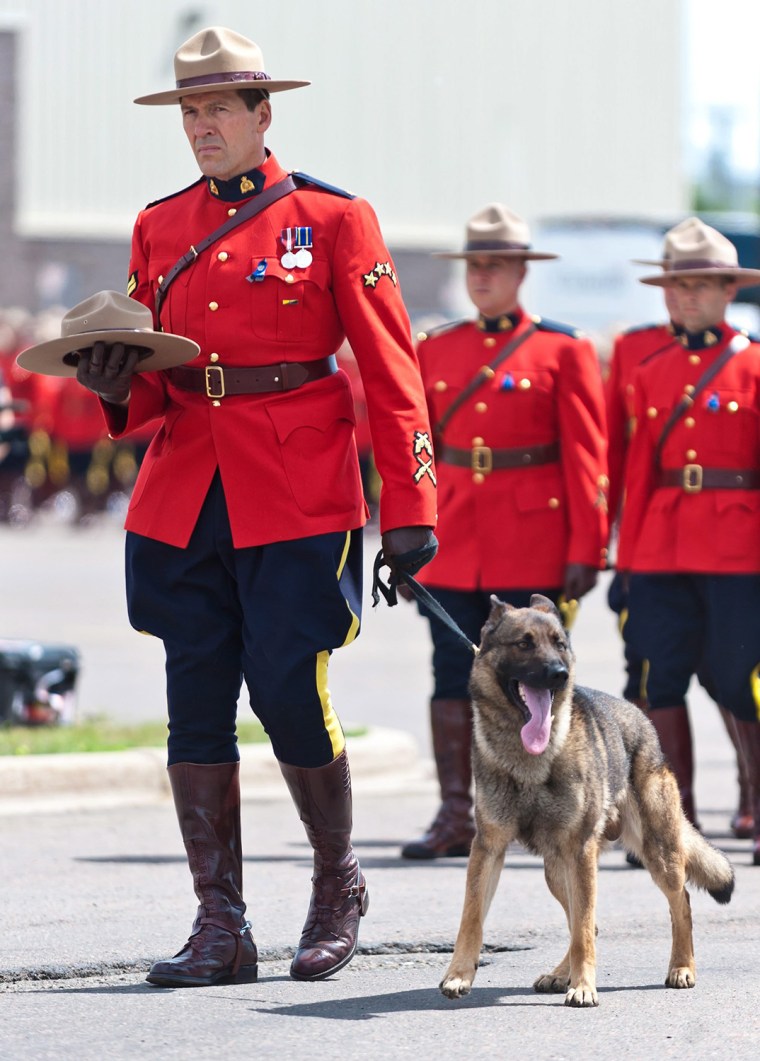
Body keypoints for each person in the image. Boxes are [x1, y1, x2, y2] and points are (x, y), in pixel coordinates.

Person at [65, 26, 438, 984]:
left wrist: (412, 505)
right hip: (185, 491)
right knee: (194, 700)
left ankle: (335, 883)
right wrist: (113, 385)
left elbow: (391, 371)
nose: (201, 127)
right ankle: (220, 924)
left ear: (263, 112)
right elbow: (151, 393)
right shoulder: (161, 225)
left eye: (218, 108)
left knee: (285, 688)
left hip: (297, 487)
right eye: (190, 111)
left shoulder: (333, 217)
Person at [400, 203, 608, 860]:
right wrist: (408, 533)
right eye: (475, 265)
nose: (482, 276)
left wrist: (586, 546)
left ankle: (541, 808)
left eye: (496, 265)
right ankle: (456, 812)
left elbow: (586, 455)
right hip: (454, 540)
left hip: (532, 539)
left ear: (521, 270)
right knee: (446, 673)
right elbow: (416, 449)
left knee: (537, 678)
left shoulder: (562, 349)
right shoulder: (435, 349)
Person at [617, 217, 760, 865]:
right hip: (663, 548)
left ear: (730, 290)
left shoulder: (754, 365)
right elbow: (639, 470)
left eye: (702, 284)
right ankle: (677, 823)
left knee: (738, 676)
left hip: (738, 548)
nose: (687, 296)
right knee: (659, 677)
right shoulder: (650, 370)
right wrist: (628, 561)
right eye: (678, 284)